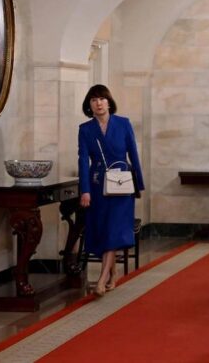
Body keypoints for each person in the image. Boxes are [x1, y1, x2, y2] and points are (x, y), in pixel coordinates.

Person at [78, 84, 145, 298]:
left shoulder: (123, 124)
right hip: (98, 185)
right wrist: (85, 190)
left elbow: (133, 154)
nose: (99, 103)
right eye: (94, 100)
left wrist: (138, 184)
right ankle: (113, 271)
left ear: (109, 102)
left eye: (102, 99)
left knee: (114, 228)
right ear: (89, 105)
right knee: (104, 229)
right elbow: (82, 161)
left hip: (121, 184)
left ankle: (102, 278)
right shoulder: (85, 129)